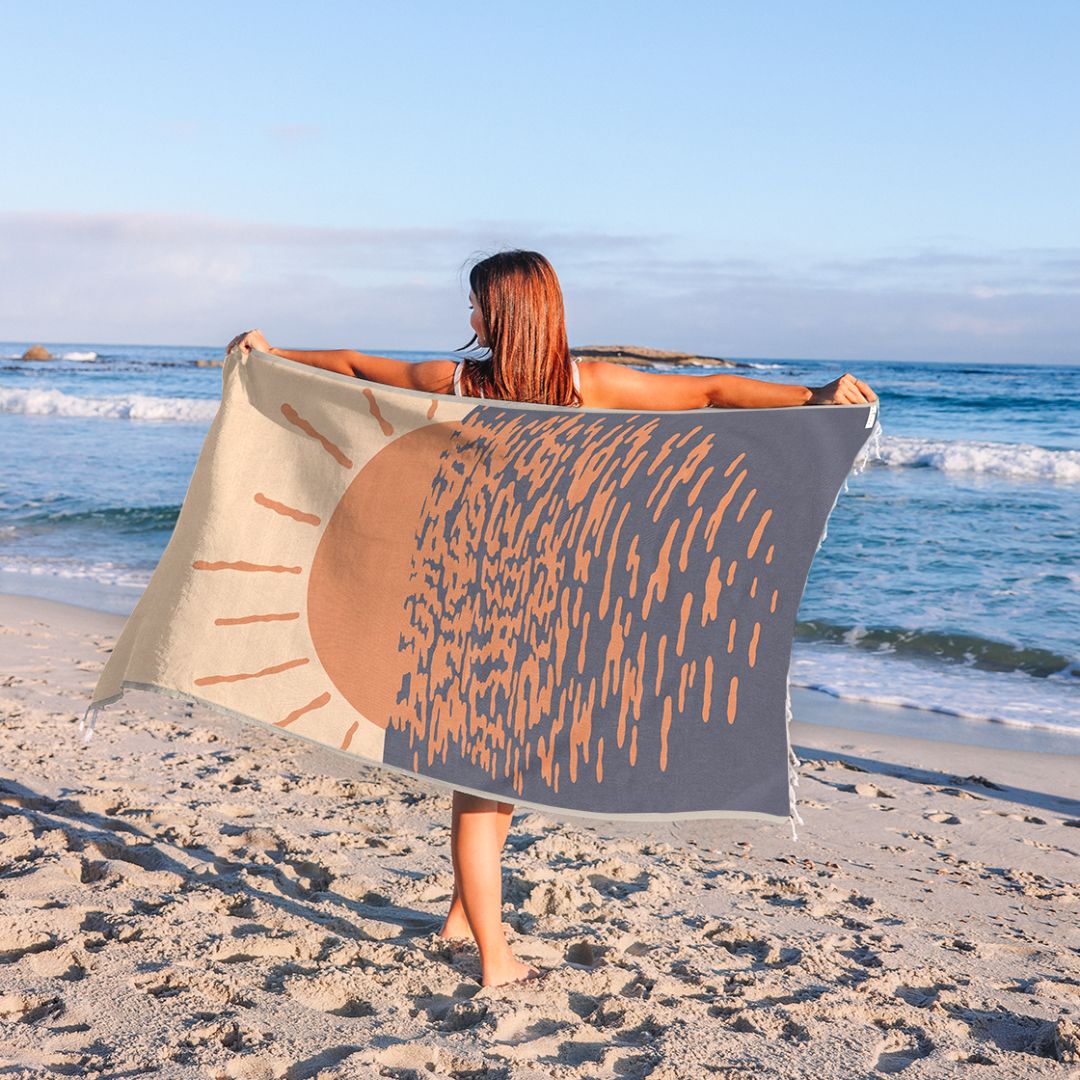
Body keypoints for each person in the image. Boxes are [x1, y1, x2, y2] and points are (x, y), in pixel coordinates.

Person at [225, 249, 878, 988]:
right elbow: (708, 394)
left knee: (491, 781)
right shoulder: (584, 385)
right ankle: (495, 961)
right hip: (524, 609)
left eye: (476, 304)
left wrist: (273, 354)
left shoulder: (459, 381)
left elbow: (347, 364)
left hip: (485, 606)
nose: (468, 317)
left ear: (505, 313)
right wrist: (810, 394)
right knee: (483, 783)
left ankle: (459, 918)